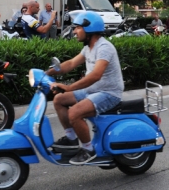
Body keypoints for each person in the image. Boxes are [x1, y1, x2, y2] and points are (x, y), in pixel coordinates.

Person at [45, 12, 124, 165]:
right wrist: (47, 72)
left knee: (74, 113)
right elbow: (71, 64)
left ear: (89, 29)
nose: (74, 32)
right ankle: (71, 138)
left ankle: (88, 149)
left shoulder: (104, 47)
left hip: (108, 93)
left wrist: (69, 88)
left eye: (78, 28)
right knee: (59, 99)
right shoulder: (88, 48)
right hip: (93, 91)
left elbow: (95, 75)